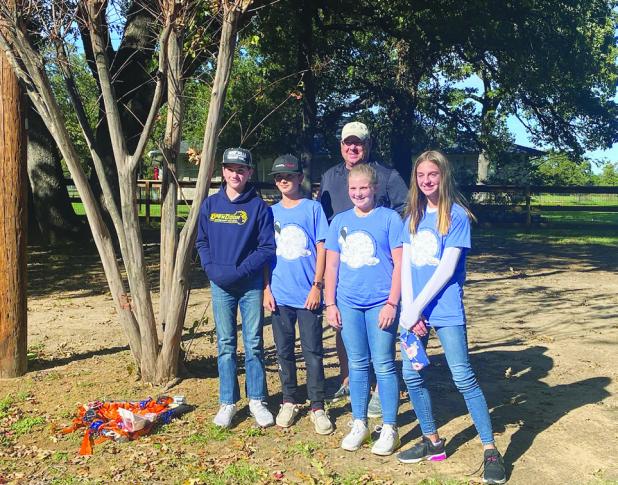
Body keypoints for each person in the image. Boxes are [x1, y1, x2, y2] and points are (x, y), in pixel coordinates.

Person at [396, 150, 507, 484]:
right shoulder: (412, 216)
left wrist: (418, 308)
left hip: (444, 311)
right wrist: (408, 310)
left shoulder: (456, 215)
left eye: (433, 174)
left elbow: (446, 269)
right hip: (414, 313)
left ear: (444, 177)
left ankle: (490, 448)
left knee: (463, 377)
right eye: (421, 175)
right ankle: (432, 441)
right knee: (412, 376)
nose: (427, 181)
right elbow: (406, 268)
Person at [319, 121, 408, 415]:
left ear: (368, 145)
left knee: (381, 339)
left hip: (378, 272)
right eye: (347, 143)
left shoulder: (388, 175)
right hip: (345, 270)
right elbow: (323, 221)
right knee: (344, 329)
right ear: (341, 146)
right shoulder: (330, 177)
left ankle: (381, 389)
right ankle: (350, 379)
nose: (352, 148)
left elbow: (406, 213)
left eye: (358, 143)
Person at [324, 164, 403, 455]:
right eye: (353, 189)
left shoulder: (390, 219)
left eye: (364, 188)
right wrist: (330, 303)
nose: (358, 193)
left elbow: (399, 265)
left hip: (381, 303)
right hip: (348, 303)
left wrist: (393, 302)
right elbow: (332, 265)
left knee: (383, 364)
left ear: (375, 189)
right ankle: (359, 423)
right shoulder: (340, 221)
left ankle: (390, 427)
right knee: (357, 364)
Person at [195, 147, 276, 429]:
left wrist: (241, 271)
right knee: (226, 345)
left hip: (250, 285)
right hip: (220, 286)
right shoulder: (210, 205)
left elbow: (267, 248)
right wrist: (212, 269)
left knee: (254, 343)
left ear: (250, 172)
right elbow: (201, 242)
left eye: (241, 170)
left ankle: (257, 399)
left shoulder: (259, 208)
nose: (235, 174)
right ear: (223, 171)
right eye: (230, 169)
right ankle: (227, 401)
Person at [263, 154, 334, 435]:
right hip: (279, 294)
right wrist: (266, 289)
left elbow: (322, 248)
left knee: (313, 351)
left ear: (299, 178)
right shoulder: (270, 213)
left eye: (289, 176)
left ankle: (317, 405)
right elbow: (266, 254)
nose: (284, 181)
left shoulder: (312, 209)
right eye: (279, 177)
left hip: (308, 296)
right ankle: (289, 400)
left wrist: (317, 285)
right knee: (284, 351)